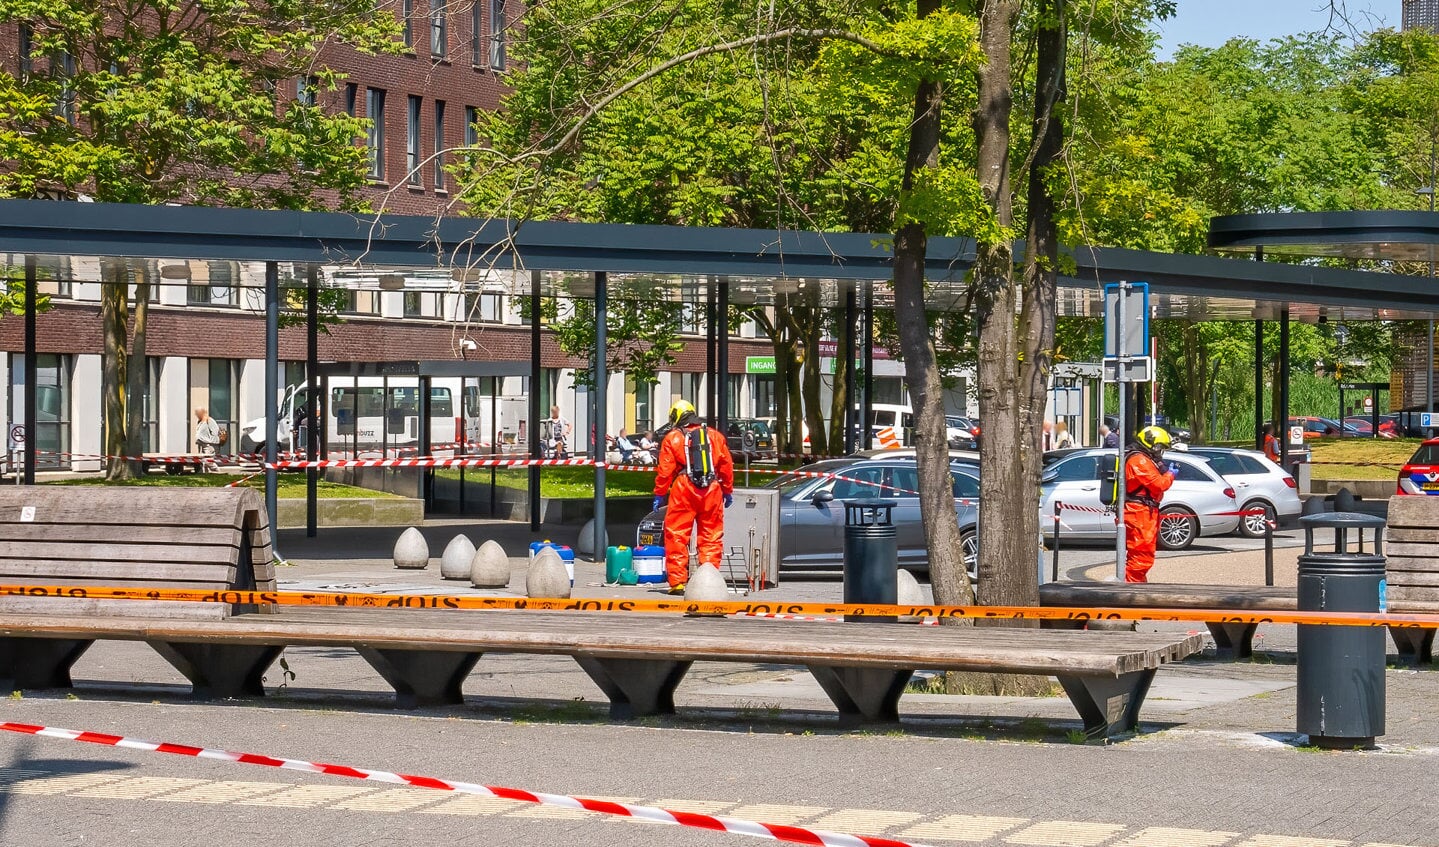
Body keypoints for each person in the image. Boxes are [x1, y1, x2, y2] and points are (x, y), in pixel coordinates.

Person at [652, 399, 735, 595]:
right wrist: (728, 490)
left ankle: (678, 583)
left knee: (677, 535)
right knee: (711, 536)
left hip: (684, 488)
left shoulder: (673, 438)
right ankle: (709, 579)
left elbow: (665, 471)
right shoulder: (714, 436)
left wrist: (659, 494)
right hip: (712, 489)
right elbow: (726, 466)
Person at [1123, 425, 1176, 583]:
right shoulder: (1139, 460)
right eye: (1160, 448)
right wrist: (1170, 475)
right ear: (1153, 445)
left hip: (1143, 512)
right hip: (1139, 513)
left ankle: (1136, 584)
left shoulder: (1141, 458)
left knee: (1141, 554)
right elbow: (1159, 484)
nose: (1160, 452)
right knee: (1141, 556)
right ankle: (1131, 590)